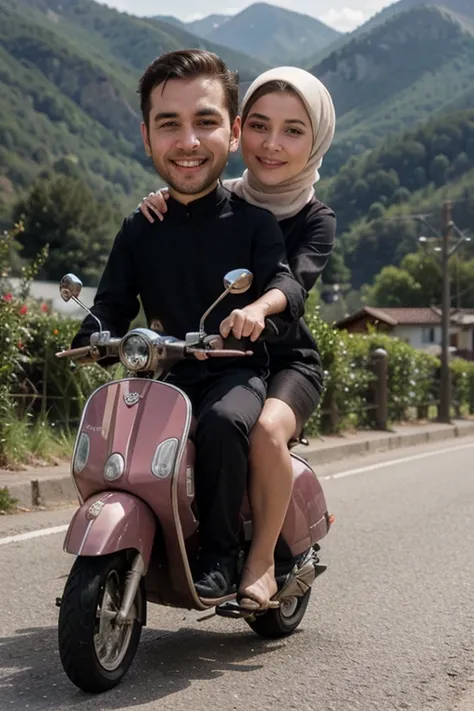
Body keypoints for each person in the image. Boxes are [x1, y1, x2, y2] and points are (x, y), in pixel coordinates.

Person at [70, 49, 307, 603]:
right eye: (169, 124)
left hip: (234, 372)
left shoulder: (255, 224)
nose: (188, 141)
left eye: (205, 121)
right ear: (147, 136)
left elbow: (286, 284)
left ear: (234, 131)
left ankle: (223, 553)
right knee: (126, 429)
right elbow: (110, 301)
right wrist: (92, 335)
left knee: (224, 423)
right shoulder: (139, 226)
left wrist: (257, 310)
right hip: (165, 376)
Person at [139, 65, 337, 612]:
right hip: (218, 359)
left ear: (316, 139)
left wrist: (258, 306)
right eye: (261, 126)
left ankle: (261, 563)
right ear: (239, 128)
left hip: (285, 362)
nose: (272, 145)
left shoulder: (316, 219)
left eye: (294, 130)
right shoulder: (218, 196)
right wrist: (157, 201)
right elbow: (184, 206)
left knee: (266, 431)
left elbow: (293, 282)